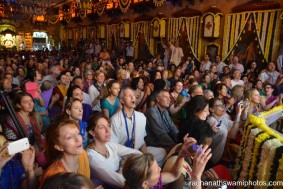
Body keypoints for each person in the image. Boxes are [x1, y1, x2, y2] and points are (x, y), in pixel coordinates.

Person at [122, 135, 212, 189]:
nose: (160, 169)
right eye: (157, 171)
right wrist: (196, 177)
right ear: (145, 184)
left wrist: (180, 156)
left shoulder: (146, 182)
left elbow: (173, 175)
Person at [111, 87, 167, 165]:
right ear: (122, 100)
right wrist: (136, 154)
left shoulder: (141, 117)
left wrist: (146, 156)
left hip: (138, 152)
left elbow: (141, 141)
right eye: (129, 96)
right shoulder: (115, 119)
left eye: (133, 95)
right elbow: (113, 146)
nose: (132, 97)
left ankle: (147, 169)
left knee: (162, 152)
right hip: (122, 155)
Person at [86, 114, 141, 188]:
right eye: (102, 127)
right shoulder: (92, 157)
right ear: (92, 133)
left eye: (108, 126)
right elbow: (119, 181)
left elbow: (137, 153)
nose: (108, 130)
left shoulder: (109, 145)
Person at [40, 120, 95, 187]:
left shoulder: (82, 154)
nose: (78, 139)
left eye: (78, 133)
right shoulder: (53, 175)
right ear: (59, 147)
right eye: (69, 137)